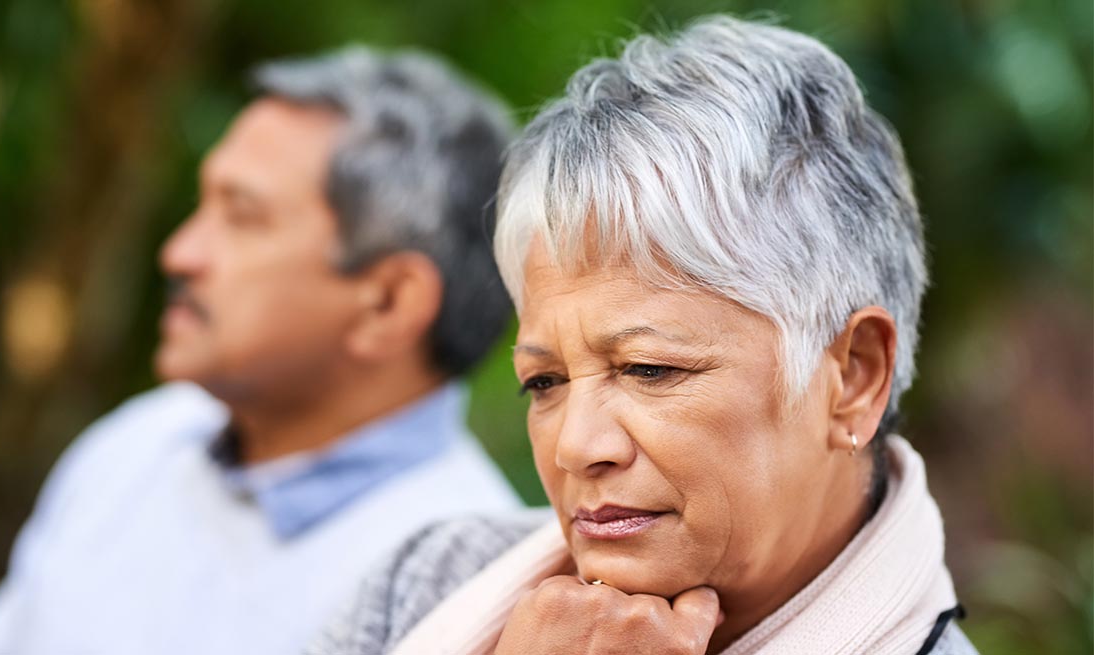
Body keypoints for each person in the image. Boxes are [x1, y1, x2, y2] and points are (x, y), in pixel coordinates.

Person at [309, 16, 979, 655]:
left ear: (854, 375)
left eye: (647, 368)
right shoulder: (427, 583)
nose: (576, 446)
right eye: (544, 382)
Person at [0, 47, 522, 655]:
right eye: (204, 205)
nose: (181, 252)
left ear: (388, 301)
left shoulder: (469, 594)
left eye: (242, 216)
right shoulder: (138, 445)